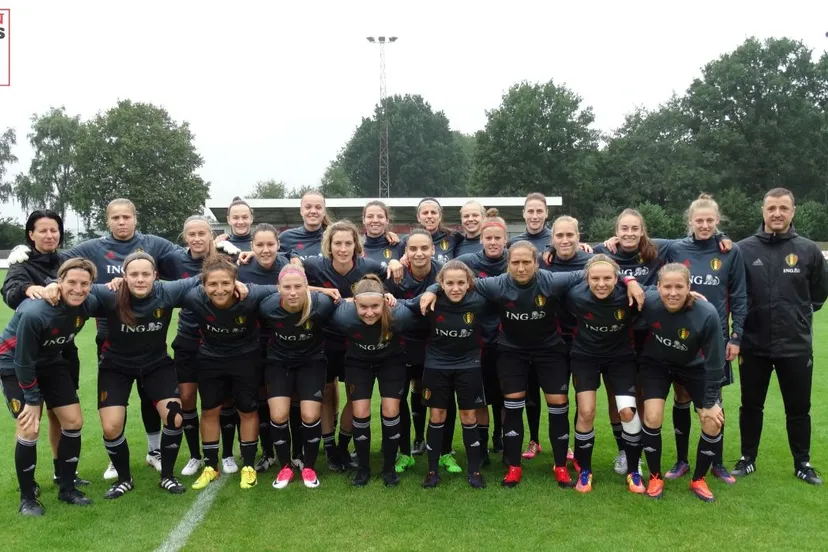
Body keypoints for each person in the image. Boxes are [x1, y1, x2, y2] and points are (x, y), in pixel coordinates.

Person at [421, 241, 644, 488]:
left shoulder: (552, 280)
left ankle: (560, 466)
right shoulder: (496, 284)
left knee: (558, 403)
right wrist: (432, 289)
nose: (521, 267)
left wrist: (629, 281)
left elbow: (595, 270)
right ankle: (514, 467)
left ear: (536, 263)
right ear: (508, 264)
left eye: (526, 262)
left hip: (550, 351)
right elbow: (459, 281)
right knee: (513, 404)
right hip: (512, 352)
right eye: (515, 262)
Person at [9, 198, 184, 479]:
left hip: (150, 336)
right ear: (108, 220)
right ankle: (113, 461)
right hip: (109, 336)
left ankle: (155, 452)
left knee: (152, 395)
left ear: (135, 218)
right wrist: (29, 253)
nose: (122, 222)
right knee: (109, 407)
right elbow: (58, 261)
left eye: (127, 216)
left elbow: (186, 256)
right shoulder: (91, 248)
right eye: (116, 217)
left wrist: (218, 246)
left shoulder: (155, 244)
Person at [46, 252, 231, 499]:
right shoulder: (108, 294)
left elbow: (204, 277)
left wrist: (235, 279)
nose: (140, 279)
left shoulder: (167, 291)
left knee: (175, 418)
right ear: (124, 277)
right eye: (134, 274)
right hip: (115, 367)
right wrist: (50, 287)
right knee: (111, 427)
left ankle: (167, 476)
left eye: (146, 274)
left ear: (155, 276)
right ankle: (124, 479)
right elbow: (76, 288)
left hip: (157, 365)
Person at [733, 188, 828, 486]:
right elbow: (735, 293)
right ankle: (747, 458)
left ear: (793, 211)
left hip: (795, 345)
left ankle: (802, 463)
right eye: (772, 207)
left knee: (798, 408)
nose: (777, 213)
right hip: (753, 343)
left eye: (783, 208)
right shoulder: (743, 249)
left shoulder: (808, 250)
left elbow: (819, 295)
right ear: (762, 210)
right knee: (751, 405)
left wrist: (796, 316)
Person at [302, 220, 403, 473]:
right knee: (325, 393)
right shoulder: (315, 265)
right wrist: (323, 291)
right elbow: (292, 283)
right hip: (324, 339)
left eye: (348, 243)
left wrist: (394, 262)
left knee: (353, 397)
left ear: (356, 245)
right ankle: (330, 447)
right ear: (329, 245)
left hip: (355, 343)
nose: (343, 248)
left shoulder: (369, 267)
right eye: (338, 243)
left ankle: (343, 446)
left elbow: (387, 289)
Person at [1, 258, 99, 516]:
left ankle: (67, 488)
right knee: (29, 427)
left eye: (84, 284)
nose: (78, 289)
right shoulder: (36, 312)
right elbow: (23, 362)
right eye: (72, 283)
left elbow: (114, 293)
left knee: (73, 421)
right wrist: (33, 401)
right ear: (59, 282)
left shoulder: (88, 301)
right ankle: (27, 497)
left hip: (51, 362)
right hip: (13, 363)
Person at [1, 210, 89, 488]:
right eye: (43, 231)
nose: (50, 235)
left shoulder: (66, 260)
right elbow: (11, 292)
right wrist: (32, 289)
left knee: (61, 415)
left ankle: (60, 471)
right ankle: (28, 487)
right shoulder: (22, 262)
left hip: (60, 352)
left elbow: (83, 279)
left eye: (54, 230)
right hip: (25, 352)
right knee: (30, 418)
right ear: (31, 235)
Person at [662, 194, 746, 484]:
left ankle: (717, 463)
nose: (705, 225)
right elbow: (641, 245)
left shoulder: (729, 251)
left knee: (715, 401)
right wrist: (604, 244)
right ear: (690, 221)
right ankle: (682, 460)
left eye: (710, 220)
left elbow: (739, 296)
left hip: (717, 340)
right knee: (682, 397)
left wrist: (736, 336)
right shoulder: (675, 248)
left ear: (717, 221)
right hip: (683, 339)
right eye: (700, 220)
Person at [179, 255, 275, 491]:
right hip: (211, 359)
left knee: (247, 409)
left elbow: (288, 286)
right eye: (213, 284)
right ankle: (210, 466)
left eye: (225, 283)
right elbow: (158, 291)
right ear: (203, 286)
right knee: (210, 410)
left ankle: (249, 466)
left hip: (246, 359)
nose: (219, 289)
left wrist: (326, 292)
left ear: (236, 283)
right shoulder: (193, 297)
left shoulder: (251, 294)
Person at [637, 263, 726, 502]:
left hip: (694, 368)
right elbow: (614, 286)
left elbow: (716, 363)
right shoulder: (649, 302)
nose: (673, 293)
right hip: (656, 365)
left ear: (689, 288)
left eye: (679, 287)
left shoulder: (706, 313)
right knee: (652, 417)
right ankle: (655, 477)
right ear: (658, 287)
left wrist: (710, 402)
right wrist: (629, 282)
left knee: (712, 421)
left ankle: (699, 479)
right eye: (667, 286)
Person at [562, 255, 645, 494]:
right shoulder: (575, 295)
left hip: (621, 358)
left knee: (627, 412)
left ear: (616, 278)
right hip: (584, 357)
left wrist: (630, 280)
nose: (601, 283)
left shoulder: (628, 294)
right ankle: (585, 471)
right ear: (586, 279)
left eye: (607, 278)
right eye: (595, 278)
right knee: (586, 411)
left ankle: (633, 471)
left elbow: (659, 293)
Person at [330, 275, 418, 487]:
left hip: (391, 362)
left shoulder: (400, 314)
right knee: (360, 412)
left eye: (375, 306)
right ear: (354, 303)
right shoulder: (342, 315)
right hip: (358, 363)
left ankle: (388, 469)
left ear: (385, 302)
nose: (369, 312)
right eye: (363, 307)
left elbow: (421, 301)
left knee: (390, 410)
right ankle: (363, 468)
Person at [413, 260, 489, 489]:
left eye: (460, 283)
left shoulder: (480, 301)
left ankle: (474, 471)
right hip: (437, 364)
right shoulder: (432, 302)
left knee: (468, 415)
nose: (455, 288)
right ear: (441, 284)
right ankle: (432, 471)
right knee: (437, 415)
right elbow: (404, 307)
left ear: (468, 284)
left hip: (469, 364)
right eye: (449, 283)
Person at [261, 265, 337, 489]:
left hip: (311, 362)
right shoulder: (267, 307)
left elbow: (349, 304)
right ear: (278, 289)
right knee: (278, 414)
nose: (292, 292)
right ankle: (285, 467)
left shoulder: (321, 304)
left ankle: (309, 466)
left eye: (298, 287)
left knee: (310, 415)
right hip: (278, 363)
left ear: (307, 288)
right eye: (287, 287)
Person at [526, 216, 593, 464]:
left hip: (582, 339)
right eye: (560, 236)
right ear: (551, 239)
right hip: (546, 339)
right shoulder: (543, 264)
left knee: (577, 396)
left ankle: (571, 446)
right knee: (538, 393)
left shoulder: (591, 261)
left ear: (578, 237)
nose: (565, 240)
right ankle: (535, 440)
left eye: (570, 235)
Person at [384, 229, 442, 474]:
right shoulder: (395, 274)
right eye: (413, 249)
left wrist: (435, 289)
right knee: (399, 398)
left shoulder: (443, 272)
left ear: (433, 250)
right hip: (401, 344)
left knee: (434, 397)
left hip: (435, 344)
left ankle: (435, 447)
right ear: (405, 252)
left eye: (424, 248)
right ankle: (404, 452)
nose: (419, 253)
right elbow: (381, 301)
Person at [235, 223, 291, 474]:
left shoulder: (291, 268)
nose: (266, 250)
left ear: (279, 245)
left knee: (289, 399)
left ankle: (294, 452)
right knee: (259, 400)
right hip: (252, 343)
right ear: (251, 247)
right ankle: (267, 452)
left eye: (270, 244)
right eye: (260, 245)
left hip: (285, 343)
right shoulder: (241, 269)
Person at [454, 208, 509, 462]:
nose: (493, 242)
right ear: (482, 240)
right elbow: (447, 281)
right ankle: (484, 444)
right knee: (482, 396)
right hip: (478, 340)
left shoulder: (515, 260)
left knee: (508, 395)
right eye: (489, 238)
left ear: (505, 239)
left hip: (511, 340)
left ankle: (506, 440)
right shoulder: (469, 262)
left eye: (498, 238)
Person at [166, 216, 218, 478]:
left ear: (211, 235)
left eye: (202, 233)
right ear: (185, 237)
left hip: (219, 339)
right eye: (192, 234)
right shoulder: (174, 260)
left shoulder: (224, 259)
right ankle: (195, 455)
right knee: (186, 398)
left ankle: (227, 453)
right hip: (187, 337)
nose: (197, 238)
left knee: (218, 399)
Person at [278, 190, 332, 259]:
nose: (313, 211)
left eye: (318, 207)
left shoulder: (332, 237)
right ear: (301, 211)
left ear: (324, 212)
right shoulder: (286, 238)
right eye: (308, 207)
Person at [362, 200, 404, 264]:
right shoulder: (356, 247)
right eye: (370, 216)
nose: (375, 220)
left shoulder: (399, 246)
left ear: (387, 220)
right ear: (363, 220)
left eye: (380, 217)